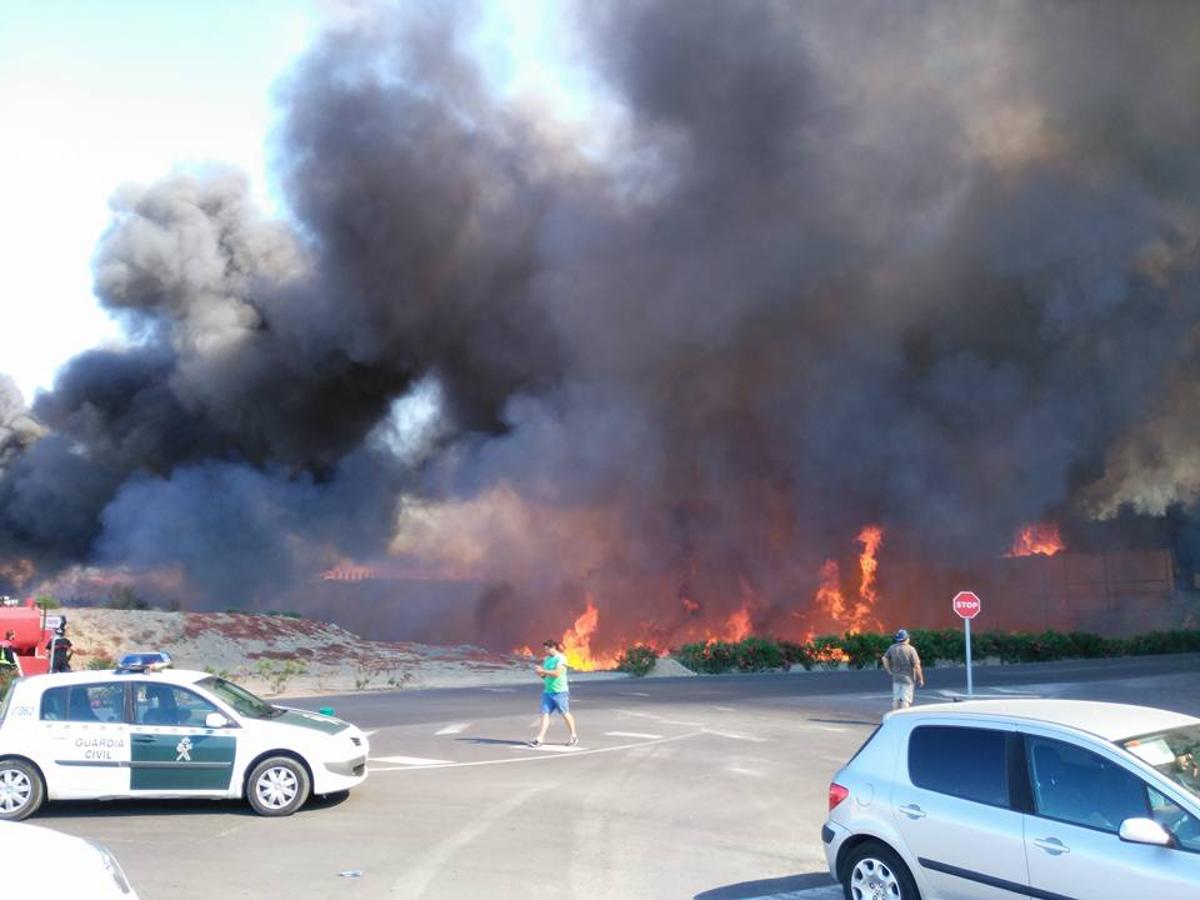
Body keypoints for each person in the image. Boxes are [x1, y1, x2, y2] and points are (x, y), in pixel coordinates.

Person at [530, 639, 578, 747]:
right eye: (545, 649)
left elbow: (557, 673)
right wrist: (540, 673)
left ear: (554, 647)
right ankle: (540, 738)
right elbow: (545, 676)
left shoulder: (561, 658)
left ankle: (573, 736)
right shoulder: (547, 659)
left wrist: (543, 671)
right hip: (548, 691)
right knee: (544, 714)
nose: (546, 651)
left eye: (548, 649)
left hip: (560, 691)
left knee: (565, 713)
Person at [881, 628, 924, 710]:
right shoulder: (911, 649)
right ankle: (903, 717)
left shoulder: (892, 647)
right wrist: (921, 679)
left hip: (896, 677)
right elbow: (917, 665)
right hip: (908, 678)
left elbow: (884, 658)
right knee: (905, 700)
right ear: (906, 638)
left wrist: (888, 670)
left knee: (896, 699)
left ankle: (894, 716)